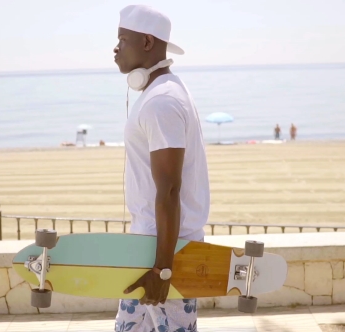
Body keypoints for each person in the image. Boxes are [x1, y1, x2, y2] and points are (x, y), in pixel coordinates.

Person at [113, 5, 210, 331]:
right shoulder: (164, 92)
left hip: (163, 253)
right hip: (152, 249)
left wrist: (161, 271)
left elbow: (169, 188)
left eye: (122, 40)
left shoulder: (161, 102)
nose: (115, 48)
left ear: (147, 43)